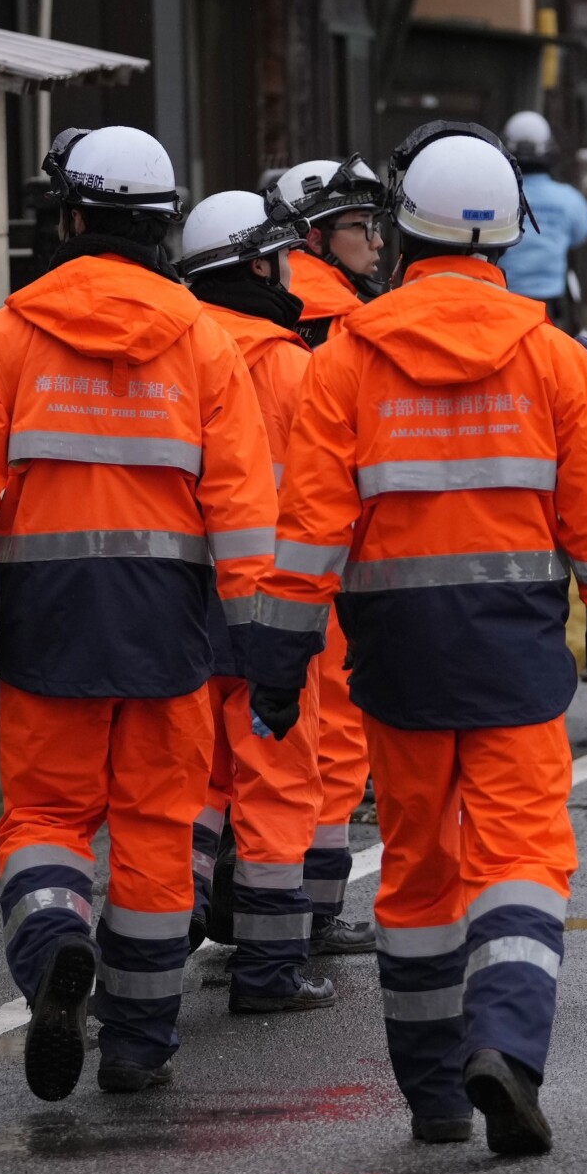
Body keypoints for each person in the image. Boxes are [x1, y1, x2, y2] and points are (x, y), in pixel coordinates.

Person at [245, 123, 587, 1157]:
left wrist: (282, 664)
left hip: (397, 661)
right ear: (507, 238)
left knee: (418, 871)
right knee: (521, 858)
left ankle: (431, 1095)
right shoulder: (554, 359)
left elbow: (311, 529)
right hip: (514, 658)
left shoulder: (346, 363)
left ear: (404, 231)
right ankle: (505, 1048)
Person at [0, 125, 277, 1100]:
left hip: (49, 624)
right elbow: (245, 505)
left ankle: (51, 944)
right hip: (172, 630)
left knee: (45, 816)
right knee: (158, 831)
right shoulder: (204, 342)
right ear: (161, 226)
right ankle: (137, 1042)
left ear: (72, 217)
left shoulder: (8, 336)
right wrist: (257, 630)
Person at [175, 188, 343, 1014]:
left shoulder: (176, 352)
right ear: (256, 266)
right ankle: (270, 969)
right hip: (274, 606)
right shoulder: (294, 367)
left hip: (177, 603)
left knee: (192, 779)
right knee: (276, 778)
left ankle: (164, 928)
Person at [259, 158, 386, 953]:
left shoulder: (254, 304)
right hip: (321, 547)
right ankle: (317, 907)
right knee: (333, 725)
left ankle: (246, 901)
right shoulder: (342, 322)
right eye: (356, 226)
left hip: (238, 548)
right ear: (315, 235)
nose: (373, 241)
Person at [273, 155, 387, 347]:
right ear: (316, 240)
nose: (378, 242)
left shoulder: (248, 309)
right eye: (363, 225)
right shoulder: (350, 330)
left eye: (374, 226)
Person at [501, 110, 587, 325]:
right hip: (549, 306)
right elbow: (579, 236)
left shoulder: (494, 195)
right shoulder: (570, 199)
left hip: (502, 300)